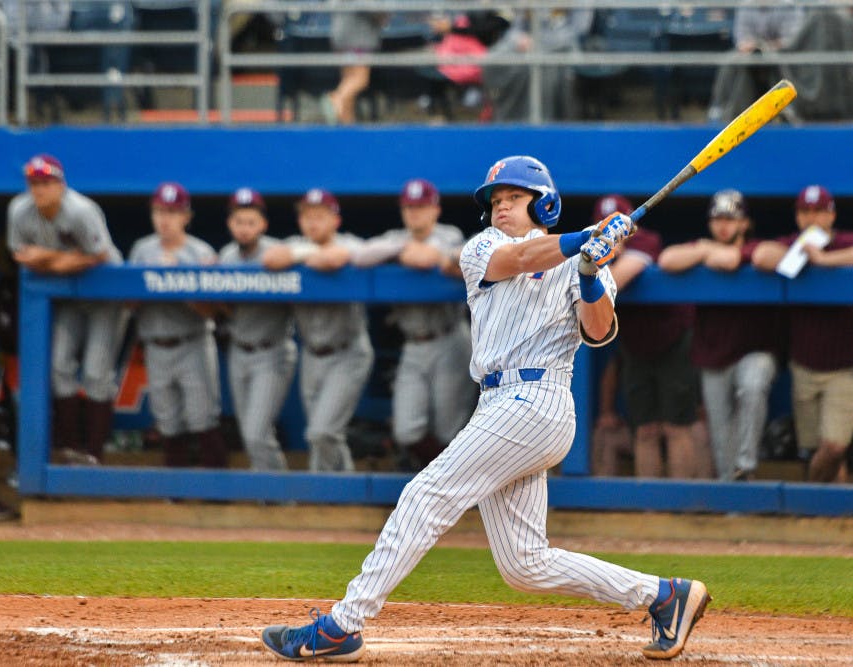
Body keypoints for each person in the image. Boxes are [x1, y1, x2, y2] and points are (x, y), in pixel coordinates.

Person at [261, 156, 710, 662]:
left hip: (538, 400)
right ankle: (663, 596)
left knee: (425, 495)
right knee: (525, 564)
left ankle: (343, 625)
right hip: (499, 403)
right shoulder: (483, 248)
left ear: (543, 204)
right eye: (496, 200)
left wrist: (588, 271)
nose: (501, 207)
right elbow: (522, 259)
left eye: (514, 198)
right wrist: (584, 239)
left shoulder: (585, 259)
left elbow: (599, 330)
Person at [6, 154, 124, 466]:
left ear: (61, 185)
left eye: (46, 182)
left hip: (104, 295)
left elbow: (99, 255)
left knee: (96, 372)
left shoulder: (81, 210)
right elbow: (21, 256)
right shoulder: (19, 210)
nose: (39, 189)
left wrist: (47, 258)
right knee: (58, 368)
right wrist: (64, 260)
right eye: (34, 182)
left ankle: (95, 453)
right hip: (70, 296)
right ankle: (70, 447)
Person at [658, 189, 781, 482]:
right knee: (721, 437)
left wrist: (721, 255)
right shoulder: (702, 248)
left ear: (744, 223)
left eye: (731, 218)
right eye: (718, 219)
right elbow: (666, 260)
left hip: (755, 348)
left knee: (753, 386)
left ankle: (746, 463)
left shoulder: (756, 246)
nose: (723, 225)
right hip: (713, 354)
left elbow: (746, 258)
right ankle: (735, 492)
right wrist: (703, 251)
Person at [353, 178, 474, 471]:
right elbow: (360, 256)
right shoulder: (396, 237)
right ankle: (436, 476)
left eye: (421, 207)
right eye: (409, 207)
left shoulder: (449, 234)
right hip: (413, 344)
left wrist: (410, 253)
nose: (414, 213)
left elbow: (428, 257)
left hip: (450, 338)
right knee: (406, 429)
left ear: (435, 209)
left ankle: (450, 484)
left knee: (448, 428)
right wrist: (401, 248)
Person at [262, 189, 374, 472]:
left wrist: (303, 257)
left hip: (348, 352)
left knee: (321, 432)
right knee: (325, 436)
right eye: (307, 216)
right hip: (312, 355)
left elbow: (334, 259)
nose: (313, 223)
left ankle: (326, 490)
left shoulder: (349, 242)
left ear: (335, 219)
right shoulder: (296, 244)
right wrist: (306, 253)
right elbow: (271, 259)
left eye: (320, 216)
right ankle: (345, 490)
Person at [592, 195, 702, 479]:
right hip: (635, 346)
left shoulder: (646, 241)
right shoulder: (592, 248)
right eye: (605, 226)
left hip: (672, 340)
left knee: (676, 428)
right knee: (645, 430)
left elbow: (613, 282)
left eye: (617, 225)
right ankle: (650, 503)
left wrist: (603, 258)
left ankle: (681, 502)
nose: (612, 233)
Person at [752, 185, 853, 482]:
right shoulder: (794, 244)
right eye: (805, 212)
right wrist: (803, 254)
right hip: (804, 363)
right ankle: (828, 505)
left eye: (819, 211)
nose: (812, 218)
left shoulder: (843, 242)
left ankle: (811, 496)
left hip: (844, 366)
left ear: (831, 215)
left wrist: (824, 260)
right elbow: (761, 256)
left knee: (834, 446)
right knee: (815, 449)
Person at [128, 182, 228, 468]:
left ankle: (216, 488)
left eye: (172, 212)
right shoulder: (142, 249)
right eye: (159, 211)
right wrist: (150, 280)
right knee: (168, 422)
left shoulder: (200, 252)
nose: (164, 219)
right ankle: (176, 488)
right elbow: (128, 303)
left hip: (192, 341)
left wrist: (179, 281)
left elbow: (213, 311)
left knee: (203, 418)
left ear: (186, 216)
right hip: (155, 344)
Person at [219, 187, 297, 471]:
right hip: (239, 350)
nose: (244, 228)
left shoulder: (277, 252)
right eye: (239, 221)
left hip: (272, 350)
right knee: (251, 434)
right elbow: (224, 307)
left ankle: (279, 492)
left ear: (263, 224)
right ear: (230, 223)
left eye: (251, 222)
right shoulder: (226, 256)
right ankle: (271, 490)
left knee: (256, 433)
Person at [482, 8, 594, 122]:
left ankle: (540, 121)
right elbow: (516, 28)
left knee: (539, 66)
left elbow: (578, 32)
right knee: (494, 59)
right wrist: (518, 40)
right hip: (526, 44)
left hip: (561, 48)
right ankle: (507, 120)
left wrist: (538, 43)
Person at [707, 2, 806, 123]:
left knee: (771, 60)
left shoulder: (789, 5)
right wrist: (755, 48)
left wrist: (765, 47)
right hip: (750, 55)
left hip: (781, 54)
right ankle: (720, 109)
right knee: (731, 59)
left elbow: (791, 41)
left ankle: (789, 108)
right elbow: (742, 40)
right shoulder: (746, 6)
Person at [320, 11, 386, 124]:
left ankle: (348, 126)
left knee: (348, 81)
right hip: (357, 39)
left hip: (342, 38)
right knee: (360, 79)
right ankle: (336, 98)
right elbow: (373, 9)